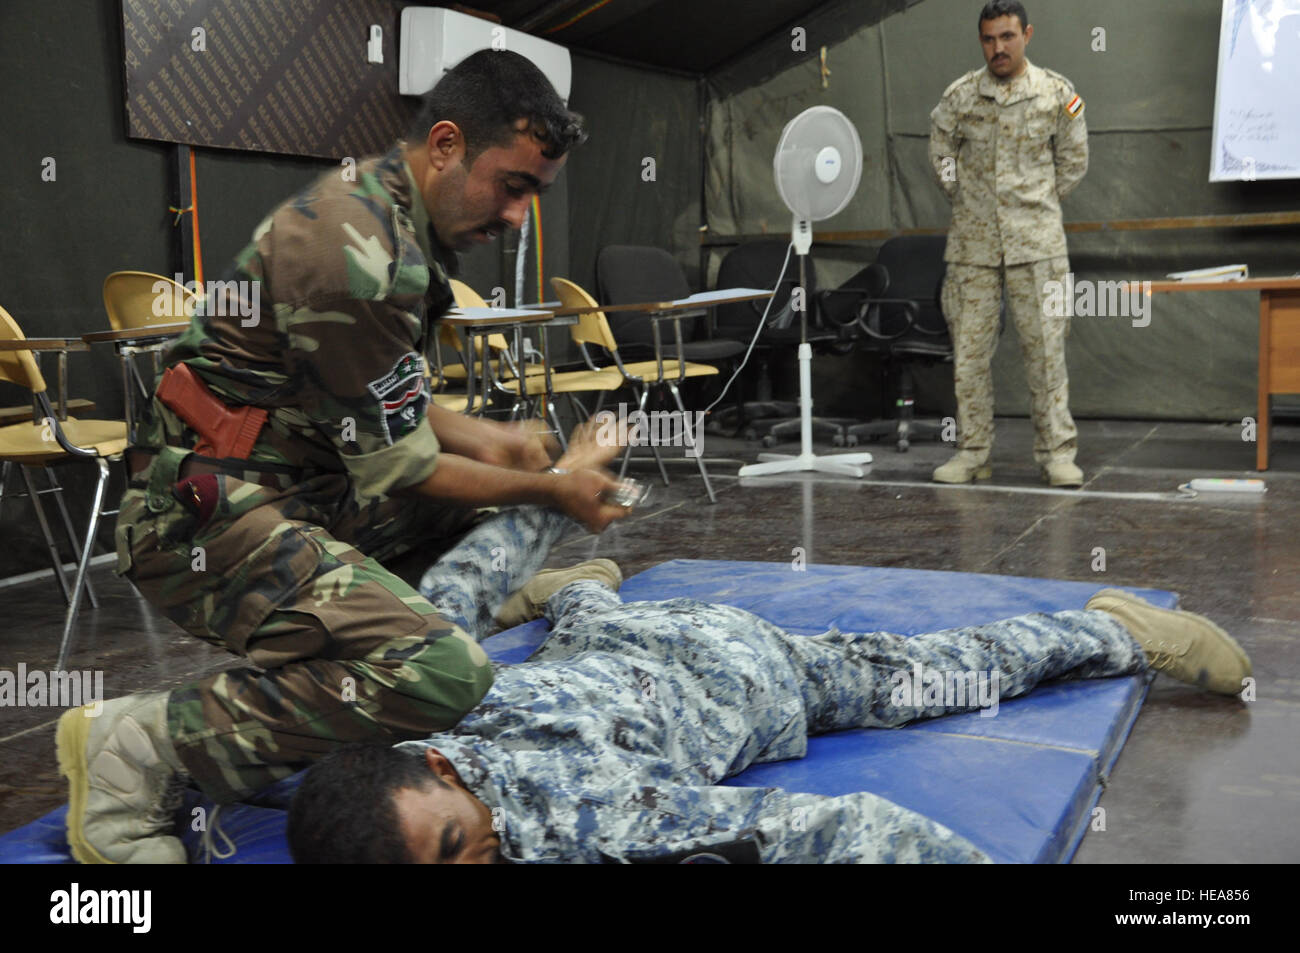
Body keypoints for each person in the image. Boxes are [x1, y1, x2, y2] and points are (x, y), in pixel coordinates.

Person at [56, 50, 633, 865]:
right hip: (203, 517)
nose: (517, 218)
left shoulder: (392, 213)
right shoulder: (356, 247)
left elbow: (375, 392)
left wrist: (494, 441)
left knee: (496, 492)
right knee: (446, 674)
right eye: (514, 186)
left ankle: (441, 599)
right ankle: (142, 744)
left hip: (293, 484)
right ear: (444, 144)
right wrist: (556, 487)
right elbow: (401, 468)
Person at [287, 505, 1252, 864]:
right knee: (579, 637)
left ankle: (1112, 629)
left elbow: (824, 830)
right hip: (627, 639)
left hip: (767, 672)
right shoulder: (421, 732)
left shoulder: (581, 820)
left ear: (440, 767)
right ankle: (580, 589)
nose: (479, 856)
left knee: (955, 674)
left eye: (458, 844)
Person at [929, 1, 1088, 487]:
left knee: (1045, 354)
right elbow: (941, 154)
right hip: (973, 249)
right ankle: (973, 453)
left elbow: (1074, 161)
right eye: (989, 39)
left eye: (1007, 37)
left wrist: (1034, 203)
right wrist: (970, 200)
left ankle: (1058, 455)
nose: (998, 48)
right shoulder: (960, 97)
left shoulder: (1057, 94)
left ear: (1027, 35)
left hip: (1037, 246)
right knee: (970, 356)